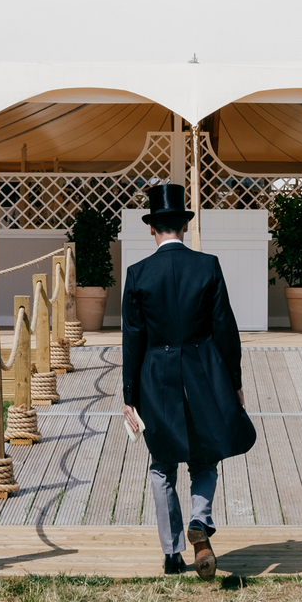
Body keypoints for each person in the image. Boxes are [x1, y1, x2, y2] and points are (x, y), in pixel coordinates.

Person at [121, 183, 255, 579]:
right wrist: (234, 380)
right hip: (202, 372)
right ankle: (201, 518)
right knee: (205, 455)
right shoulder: (208, 265)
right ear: (184, 225)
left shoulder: (138, 274)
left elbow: (132, 339)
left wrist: (130, 394)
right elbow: (225, 331)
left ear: (152, 229)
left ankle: (170, 552)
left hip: (154, 377)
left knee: (162, 465)